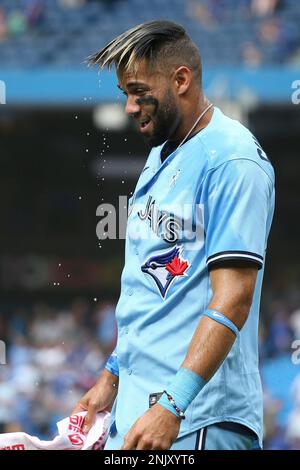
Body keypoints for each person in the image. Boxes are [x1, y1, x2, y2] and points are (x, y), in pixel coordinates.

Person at [72, 20, 275, 450]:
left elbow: (234, 297)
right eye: (124, 93)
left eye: (139, 91)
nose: (129, 106)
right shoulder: (160, 154)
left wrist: (173, 406)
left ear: (180, 80)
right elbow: (151, 293)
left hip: (197, 420)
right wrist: (111, 377)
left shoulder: (232, 160)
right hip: (140, 415)